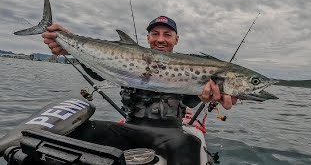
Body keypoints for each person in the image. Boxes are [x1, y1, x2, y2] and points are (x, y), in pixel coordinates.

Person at [42, 16, 237, 165]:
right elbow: (100, 74)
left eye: (167, 34)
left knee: (190, 145)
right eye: (155, 34)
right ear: (148, 38)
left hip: (171, 134)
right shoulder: (129, 60)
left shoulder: (192, 68)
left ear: (176, 39)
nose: (160, 39)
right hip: (128, 129)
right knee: (76, 131)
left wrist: (212, 98)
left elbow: (193, 100)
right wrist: (70, 46)